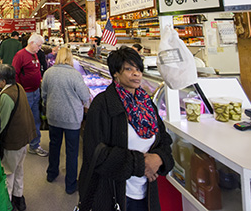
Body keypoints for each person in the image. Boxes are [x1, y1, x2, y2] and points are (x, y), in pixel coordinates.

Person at [78, 47, 174, 211]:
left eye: (138, 69)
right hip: (114, 193)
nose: (136, 74)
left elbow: (163, 139)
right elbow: (94, 153)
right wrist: (140, 164)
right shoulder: (103, 105)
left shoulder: (146, 104)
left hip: (147, 192)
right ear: (116, 73)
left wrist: (159, 158)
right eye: (129, 69)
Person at [41, 47, 90, 194]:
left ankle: (51, 173)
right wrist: (85, 105)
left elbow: (44, 94)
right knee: (72, 151)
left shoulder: (48, 73)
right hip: (72, 119)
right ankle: (70, 185)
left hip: (54, 116)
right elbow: (84, 96)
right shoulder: (74, 75)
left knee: (54, 145)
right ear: (70, 58)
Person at [0, 64, 37, 211]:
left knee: (8, 174)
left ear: (3, 81)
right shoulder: (18, 87)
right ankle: (19, 199)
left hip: (14, 141)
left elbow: (2, 122)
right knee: (19, 170)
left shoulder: (6, 96)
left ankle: (8, 203)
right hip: (24, 138)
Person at [12, 33, 48, 156]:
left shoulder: (35, 54)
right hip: (25, 93)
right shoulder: (20, 55)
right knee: (22, 120)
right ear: (31, 43)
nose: (40, 48)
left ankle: (34, 145)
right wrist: (19, 90)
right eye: (38, 45)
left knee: (35, 119)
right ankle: (17, 146)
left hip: (35, 92)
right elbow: (15, 73)